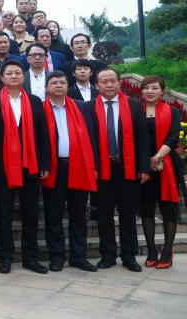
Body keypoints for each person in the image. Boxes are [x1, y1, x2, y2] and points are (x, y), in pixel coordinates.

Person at [0, 60, 50, 275]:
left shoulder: (34, 101)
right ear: (2, 77)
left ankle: (30, 258)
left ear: (23, 77)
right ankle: (5, 257)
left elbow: (43, 134)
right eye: (9, 73)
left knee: (30, 214)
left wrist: (44, 163)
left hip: (30, 165)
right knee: (3, 215)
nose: (14, 76)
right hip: (3, 166)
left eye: (17, 73)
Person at [92, 68, 149, 272]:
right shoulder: (89, 107)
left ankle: (129, 256)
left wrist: (144, 168)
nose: (109, 85)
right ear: (97, 85)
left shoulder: (134, 106)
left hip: (129, 169)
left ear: (119, 83)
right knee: (104, 216)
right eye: (104, 82)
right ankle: (107, 255)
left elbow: (143, 139)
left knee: (128, 215)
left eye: (113, 81)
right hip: (102, 170)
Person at [41, 71, 99, 272]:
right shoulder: (40, 109)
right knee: (53, 215)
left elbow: (92, 136)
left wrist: (94, 166)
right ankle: (56, 256)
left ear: (68, 85)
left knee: (78, 215)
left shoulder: (82, 107)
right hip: (53, 168)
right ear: (46, 87)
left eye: (62, 82)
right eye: (54, 82)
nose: (58, 85)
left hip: (79, 165)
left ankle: (79, 256)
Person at [139, 75, 182, 269]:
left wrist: (156, 157)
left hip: (167, 165)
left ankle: (167, 251)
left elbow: (173, 138)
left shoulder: (173, 112)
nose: (150, 91)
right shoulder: (135, 111)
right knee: (146, 209)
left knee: (168, 209)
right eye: (146, 88)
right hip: (143, 167)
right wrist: (145, 162)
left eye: (154, 88)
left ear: (162, 91)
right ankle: (151, 251)